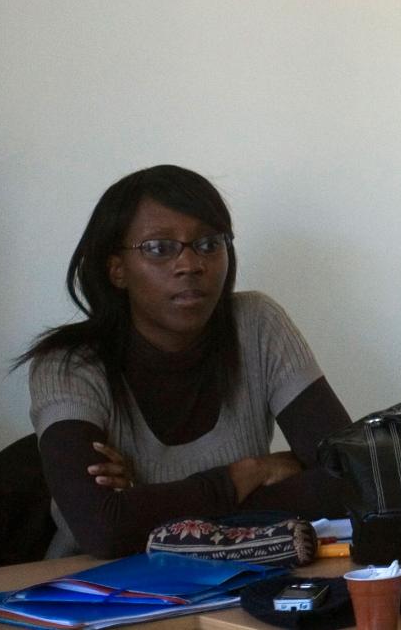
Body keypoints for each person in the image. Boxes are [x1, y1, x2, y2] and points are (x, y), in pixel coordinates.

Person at [19, 165, 352, 559]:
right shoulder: (67, 366)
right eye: (159, 248)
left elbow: (353, 480)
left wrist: (145, 502)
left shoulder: (257, 325)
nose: (191, 264)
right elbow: (104, 530)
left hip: (241, 573)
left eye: (209, 244)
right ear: (117, 270)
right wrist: (240, 476)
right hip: (97, 587)